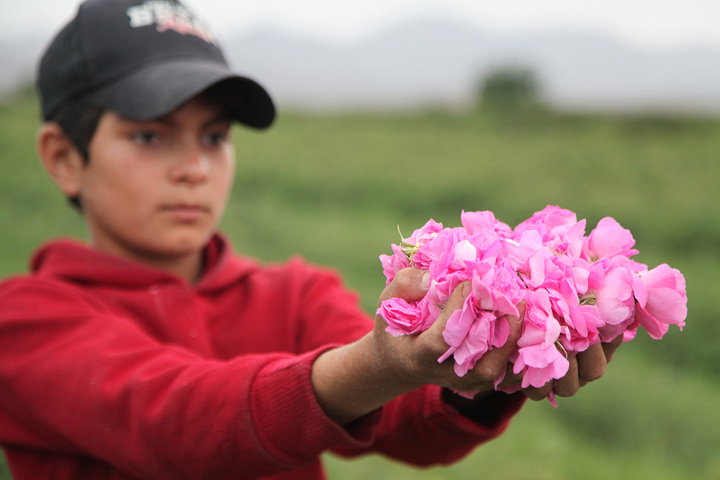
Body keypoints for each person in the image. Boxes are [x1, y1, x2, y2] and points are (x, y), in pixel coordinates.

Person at [0, 1, 621, 479]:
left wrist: (481, 369)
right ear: (62, 157)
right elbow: (178, 421)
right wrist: (380, 364)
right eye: (150, 137)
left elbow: (407, 427)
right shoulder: (25, 320)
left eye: (214, 137)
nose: (194, 167)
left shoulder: (295, 295)